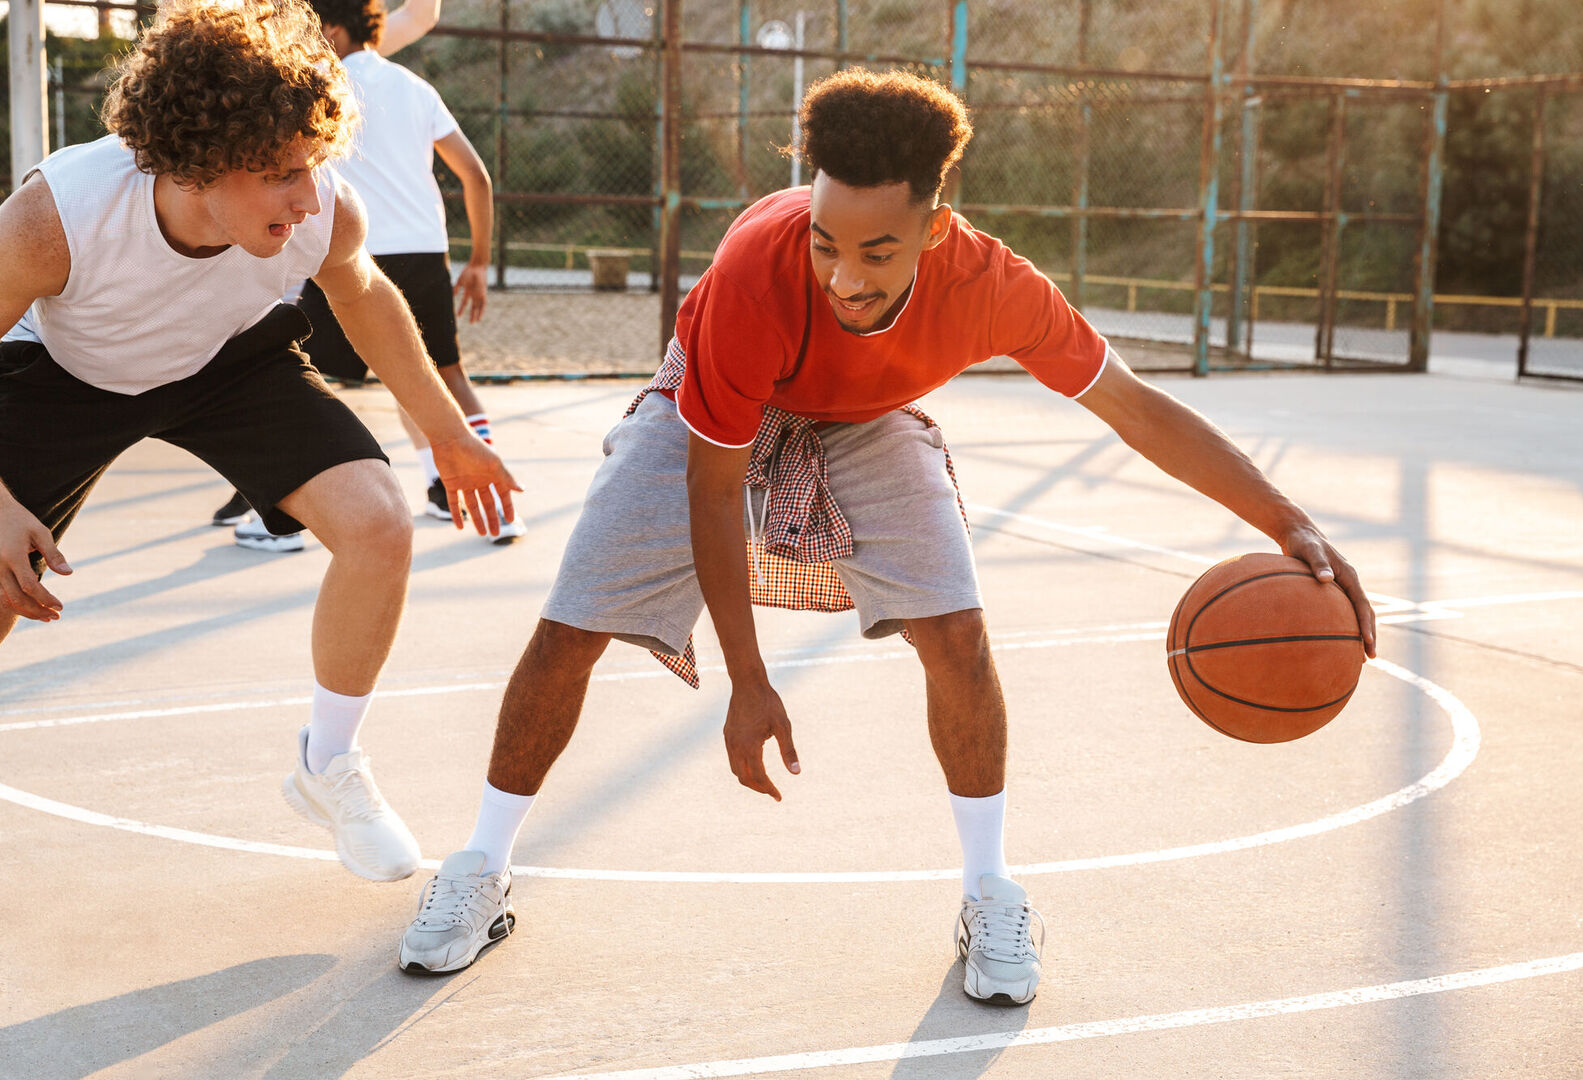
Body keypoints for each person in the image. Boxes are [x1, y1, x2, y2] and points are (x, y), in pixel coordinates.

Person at [395, 69, 1377, 1002]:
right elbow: (714, 486)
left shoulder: (993, 286)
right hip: (714, 401)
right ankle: (481, 865)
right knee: (570, 626)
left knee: (957, 632)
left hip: (867, 419)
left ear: (934, 230)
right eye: (826, 242)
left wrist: (1287, 520)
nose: (843, 275)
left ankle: (991, 892)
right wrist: (746, 677)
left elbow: (1132, 407)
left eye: (876, 252)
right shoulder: (755, 274)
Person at [0, 0, 520, 883]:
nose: (308, 197)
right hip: (66, 374)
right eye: (282, 174)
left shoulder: (320, 211)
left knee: (379, 523)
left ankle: (328, 766)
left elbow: (363, 296)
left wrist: (448, 433)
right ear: (199, 161)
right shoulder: (60, 217)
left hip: (228, 362)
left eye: (311, 166)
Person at [219, 0, 525, 551]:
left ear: (333, 30)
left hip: (353, 252)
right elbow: (476, 176)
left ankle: (279, 519)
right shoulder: (416, 87)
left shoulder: (315, 82)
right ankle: (492, 505)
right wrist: (479, 261)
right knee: (441, 374)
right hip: (426, 249)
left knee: (290, 377)